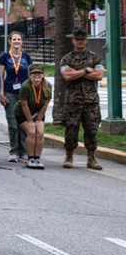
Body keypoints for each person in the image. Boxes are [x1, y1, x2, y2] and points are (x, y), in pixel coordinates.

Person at [60, 28, 105, 170]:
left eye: (82, 39)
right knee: (71, 129)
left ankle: (91, 158)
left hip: (91, 100)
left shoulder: (95, 57)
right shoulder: (67, 58)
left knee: (92, 130)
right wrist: (86, 70)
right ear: (73, 40)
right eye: (77, 39)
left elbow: (99, 76)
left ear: (86, 40)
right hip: (73, 100)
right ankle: (69, 156)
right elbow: (67, 76)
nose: (79, 41)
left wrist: (76, 72)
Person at [0, 31, 32, 163]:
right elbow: (0, 76)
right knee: (12, 123)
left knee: (23, 123)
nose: (16, 41)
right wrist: (1, 93)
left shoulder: (26, 57)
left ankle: (23, 151)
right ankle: (14, 151)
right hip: (10, 92)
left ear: (22, 41)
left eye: (19, 39)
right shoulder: (4, 56)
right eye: (14, 39)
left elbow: (30, 76)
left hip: (24, 94)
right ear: (10, 41)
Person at [20, 63, 51, 170]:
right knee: (31, 132)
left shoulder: (47, 86)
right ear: (30, 75)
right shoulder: (25, 86)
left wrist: (38, 120)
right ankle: (30, 158)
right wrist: (30, 121)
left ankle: (37, 158)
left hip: (38, 113)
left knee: (40, 132)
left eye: (39, 73)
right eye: (34, 74)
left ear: (42, 75)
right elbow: (24, 105)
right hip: (23, 113)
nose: (36, 76)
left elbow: (45, 104)